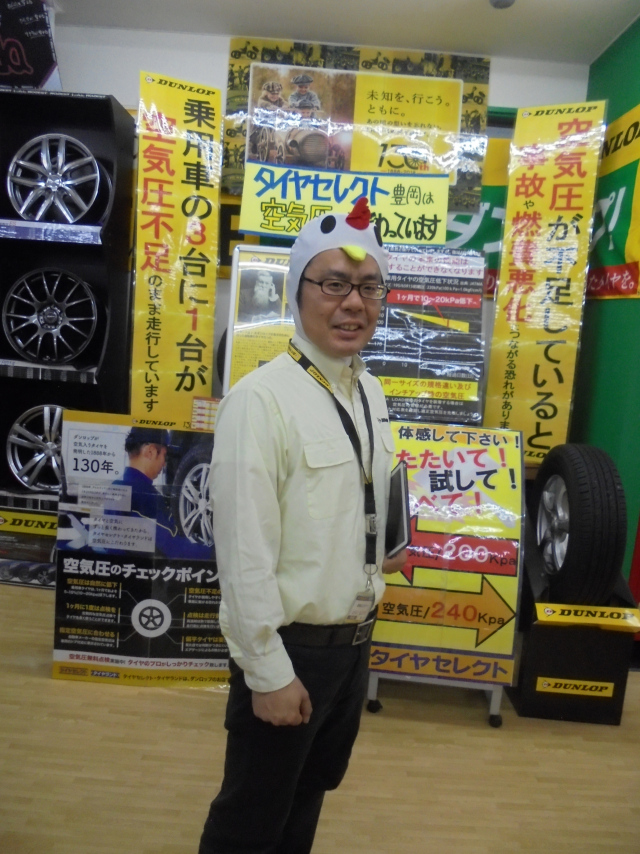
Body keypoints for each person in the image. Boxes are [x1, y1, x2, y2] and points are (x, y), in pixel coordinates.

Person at [199, 198, 407, 854]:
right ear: (298, 291)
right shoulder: (259, 402)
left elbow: (358, 494)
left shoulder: (368, 390)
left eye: (369, 287)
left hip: (353, 646)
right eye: (334, 284)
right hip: (292, 649)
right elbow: (243, 555)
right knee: (250, 821)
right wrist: (268, 672)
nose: (354, 304)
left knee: (304, 805)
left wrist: (380, 549)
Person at [110, 428, 212, 560]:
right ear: (151, 452)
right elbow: (173, 548)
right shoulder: (145, 495)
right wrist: (216, 553)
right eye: (164, 455)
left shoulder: (116, 487)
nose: (164, 464)